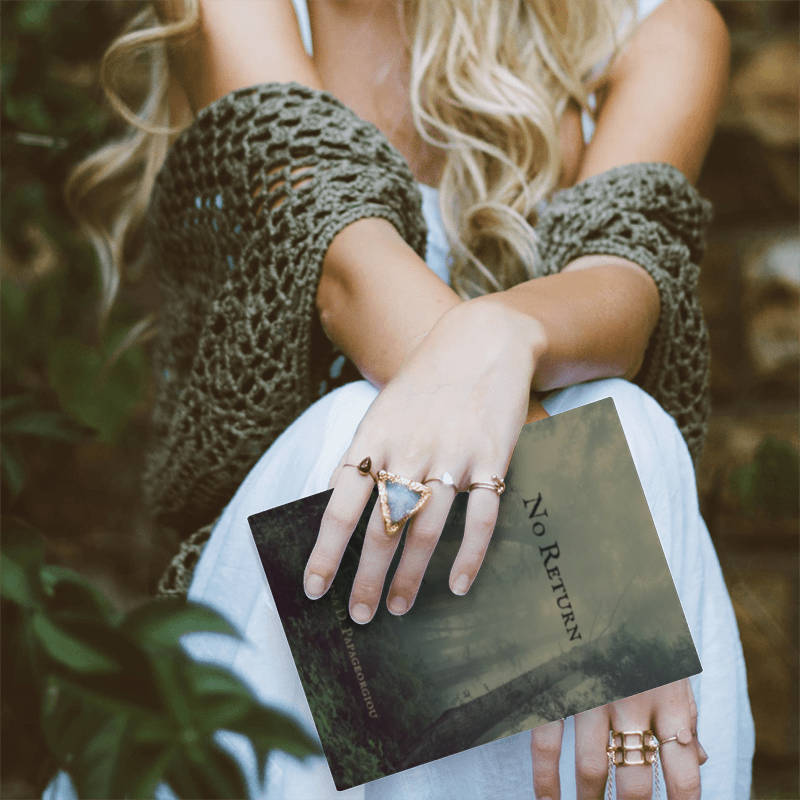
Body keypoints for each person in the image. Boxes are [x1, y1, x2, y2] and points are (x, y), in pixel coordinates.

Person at [50, 0, 754, 797]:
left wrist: (498, 335)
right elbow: (347, 271)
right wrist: (590, 562)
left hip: (483, 625)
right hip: (297, 606)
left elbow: (625, 289)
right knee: (368, 429)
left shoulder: (656, 25)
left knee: (626, 423)